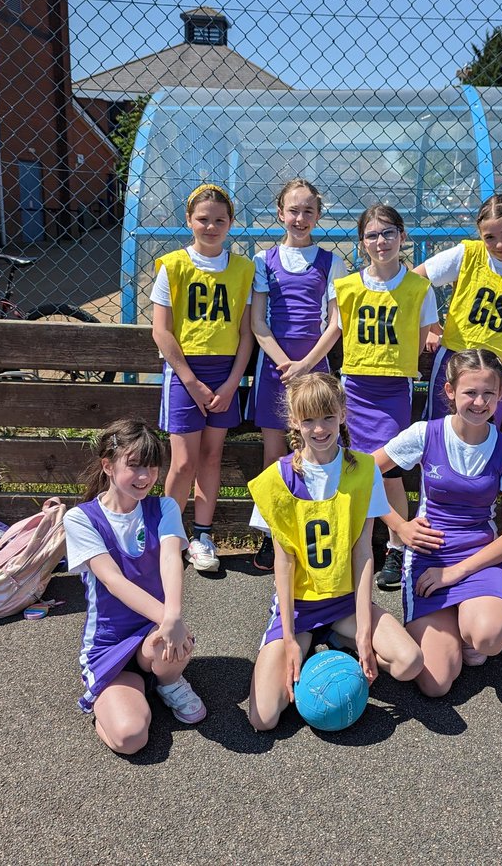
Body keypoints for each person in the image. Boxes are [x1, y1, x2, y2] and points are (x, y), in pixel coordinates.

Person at [246, 373, 423, 730]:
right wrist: (291, 637)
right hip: (299, 606)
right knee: (263, 718)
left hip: (344, 600)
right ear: (295, 421)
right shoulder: (277, 479)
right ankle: (310, 645)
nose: (319, 428)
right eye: (308, 420)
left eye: (328, 417)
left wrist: (362, 633)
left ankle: (342, 639)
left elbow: (363, 553)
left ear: (342, 413)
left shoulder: (363, 470)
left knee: (410, 663)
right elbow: (284, 562)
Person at [374, 349, 502, 697]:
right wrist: (398, 526)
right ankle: (395, 640)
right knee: (436, 684)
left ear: (501, 394)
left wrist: (454, 574)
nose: (479, 401)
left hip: (478, 556)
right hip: (430, 554)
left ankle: (468, 624)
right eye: (470, 392)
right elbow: (361, 474)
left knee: (488, 638)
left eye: (489, 392)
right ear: (449, 391)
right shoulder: (424, 434)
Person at [62, 418, 206, 754]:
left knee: (168, 641)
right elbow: (113, 581)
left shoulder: (164, 507)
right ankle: (114, 700)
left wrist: (171, 618)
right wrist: (170, 619)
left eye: (152, 467)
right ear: (107, 466)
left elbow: (172, 559)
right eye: (135, 466)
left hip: (152, 633)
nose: (145, 477)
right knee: (131, 738)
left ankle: (168, 682)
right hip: (108, 644)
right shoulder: (81, 518)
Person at [333, 203, 438, 592]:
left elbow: (430, 330)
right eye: (372, 235)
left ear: (402, 236)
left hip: (394, 387)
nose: (381, 241)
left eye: (388, 233)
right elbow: (334, 332)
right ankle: (359, 543)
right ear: (362, 243)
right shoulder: (346, 287)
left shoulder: (417, 287)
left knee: (389, 469)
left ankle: (397, 546)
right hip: (356, 388)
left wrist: (434, 336)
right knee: (359, 464)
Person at [151, 184, 254, 574]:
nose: (211, 226)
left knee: (212, 457)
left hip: (224, 375)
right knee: (183, 462)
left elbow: (247, 333)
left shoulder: (244, 269)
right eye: (203, 219)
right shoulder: (173, 265)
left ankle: (202, 535)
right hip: (184, 375)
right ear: (189, 221)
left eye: (219, 220)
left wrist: (231, 384)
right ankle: (169, 537)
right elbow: (161, 332)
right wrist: (191, 382)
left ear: (230, 224)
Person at [247, 178, 348, 572]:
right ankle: (275, 535)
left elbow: (336, 324)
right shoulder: (263, 260)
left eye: (308, 211)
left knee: (315, 452)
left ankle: (314, 530)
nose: (300, 218)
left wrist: (305, 365)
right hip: (275, 371)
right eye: (293, 210)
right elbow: (258, 321)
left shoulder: (330, 261)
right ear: (280, 213)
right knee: (275, 456)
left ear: (318, 215)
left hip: (315, 369)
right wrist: (284, 362)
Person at [415, 194, 502, 426]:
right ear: (481, 236)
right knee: (440, 431)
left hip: (497, 368)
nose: (499, 244)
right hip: (456, 359)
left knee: (485, 435)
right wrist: (431, 326)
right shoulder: (469, 254)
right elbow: (415, 280)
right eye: (490, 237)